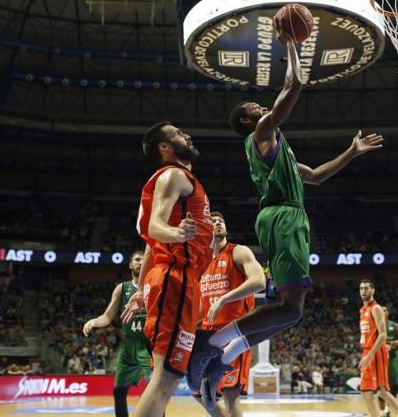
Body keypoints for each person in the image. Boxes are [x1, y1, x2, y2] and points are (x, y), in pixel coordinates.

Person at [200, 14, 384, 409]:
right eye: (255, 106)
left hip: (286, 216)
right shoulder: (262, 134)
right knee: (289, 307)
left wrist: (351, 153)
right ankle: (212, 345)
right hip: (284, 217)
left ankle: (222, 356)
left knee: (291, 311)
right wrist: (290, 43)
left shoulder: (276, 149)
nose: (261, 106)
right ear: (249, 120)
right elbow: (295, 83)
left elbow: (314, 177)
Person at [121, 121, 214, 416]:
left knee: (167, 377)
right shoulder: (173, 175)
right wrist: (177, 234)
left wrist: (139, 291)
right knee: (166, 377)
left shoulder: (181, 179)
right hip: (175, 279)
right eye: (177, 134)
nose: (187, 134)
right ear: (165, 148)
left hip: (175, 280)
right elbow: (155, 226)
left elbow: (149, 243)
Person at [188, 211, 265, 416]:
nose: (218, 223)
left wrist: (224, 298)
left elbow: (259, 281)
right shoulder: (199, 262)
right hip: (205, 334)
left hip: (234, 332)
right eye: (212, 221)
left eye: (221, 220)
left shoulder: (238, 252)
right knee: (198, 392)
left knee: (231, 396)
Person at [83, 251, 152, 417]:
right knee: (119, 391)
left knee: (154, 393)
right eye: (137, 260)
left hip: (149, 345)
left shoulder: (153, 286)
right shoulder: (122, 288)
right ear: (130, 265)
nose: (140, 262)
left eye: (144, 260)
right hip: (129, 346)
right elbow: (107, 317)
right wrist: (94, 322)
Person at [358, 280, 398, 417]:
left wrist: (369, 355)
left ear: (373, 290)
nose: (363, 291)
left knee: (367, 390)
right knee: (380, 390)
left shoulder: (376, 308)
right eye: (361, 288)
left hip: (374, 353)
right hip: (369, 350)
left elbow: (383, 334)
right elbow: (369, 334)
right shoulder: (362, 310)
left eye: (366, 288)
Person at [378, 306, 398, 417]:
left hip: (391, 359)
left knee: (393, 386)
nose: (383, 312)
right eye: (381, 310)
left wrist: (393, 344)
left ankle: (388, 410)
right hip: (379, 359)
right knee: (380, 387)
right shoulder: (375, 326)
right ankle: (381, 412)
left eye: (385, 310)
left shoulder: (395, 326)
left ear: (388, 313)